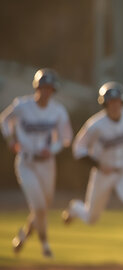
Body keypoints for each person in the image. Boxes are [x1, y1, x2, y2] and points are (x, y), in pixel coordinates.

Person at [61, 81, 123, 253]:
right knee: (91, 217)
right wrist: (97, 164)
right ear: (104, 104)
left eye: (117, 101)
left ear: (122, 102)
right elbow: (78, 148)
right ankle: (75, 209)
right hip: (104, 173)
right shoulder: (95, 125)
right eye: (111, 102)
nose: (115, 105)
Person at [1, 69, 73, 258]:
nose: (46, 92)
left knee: (42, 208)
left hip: (47, 164)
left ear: (53, 91)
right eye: (43, 88)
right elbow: (5, 119)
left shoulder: (58, 111)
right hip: (26, 162)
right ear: (36, 88)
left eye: (49, 88)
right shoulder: (23, 106)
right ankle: (45, 245)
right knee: (40, 206)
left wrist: (53, 149)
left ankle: (23, 235)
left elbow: (66, 138)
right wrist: (10, 140)